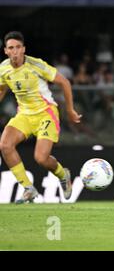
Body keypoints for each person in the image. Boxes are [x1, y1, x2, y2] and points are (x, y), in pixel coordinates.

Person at [0, 31, 82, 204]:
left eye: (17, 47)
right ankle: (28, 189)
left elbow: (64, 82)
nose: (14, 51)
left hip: (46, 113)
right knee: (5, 145)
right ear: (6, 51)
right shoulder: (3, 69)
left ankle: (63, 174)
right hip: (24, 114)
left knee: (41, 158)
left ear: (23, 49)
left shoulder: (36, 65)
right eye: (10, 48)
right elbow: (2, 88)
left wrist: (70, 110)